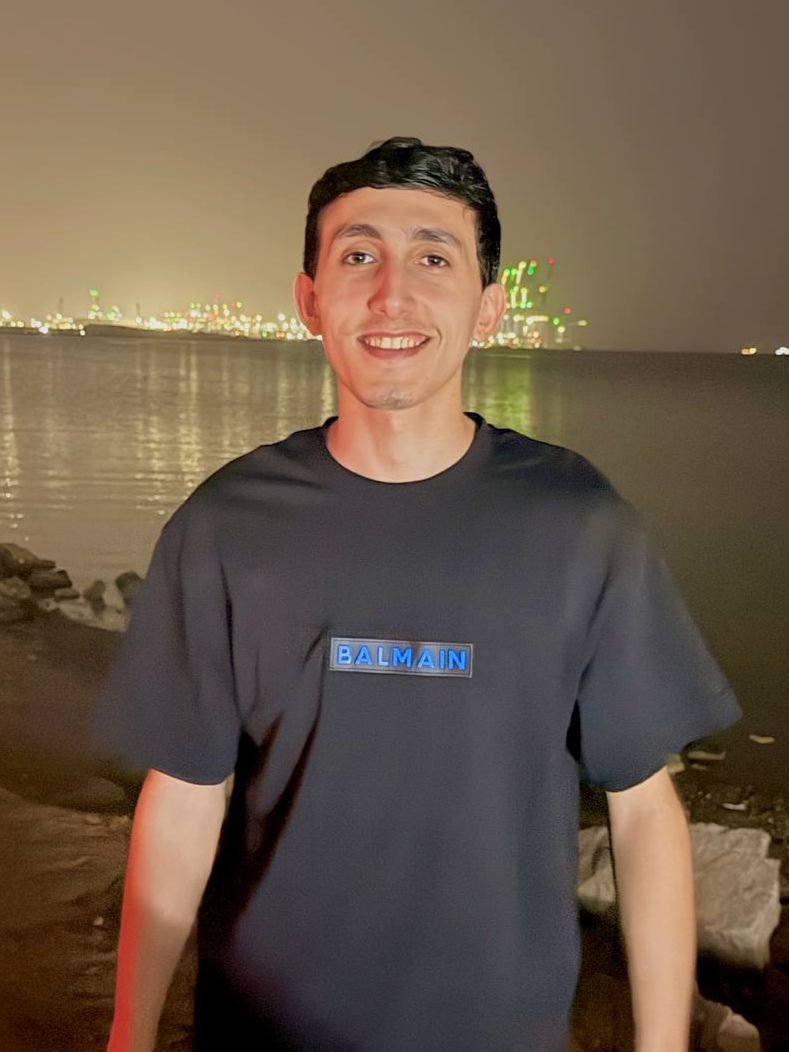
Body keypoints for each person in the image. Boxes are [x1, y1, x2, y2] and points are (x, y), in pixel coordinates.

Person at [94, 136, 742, 1052]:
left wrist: (662, 1043)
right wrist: (128, 1035)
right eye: (358, 255)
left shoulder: (578, 524)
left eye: (433, 258)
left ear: (487, 307)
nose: (391, 293)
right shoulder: (228, 523)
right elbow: (185, 797)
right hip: (264, 1027)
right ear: (309, 299)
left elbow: (641, 813)